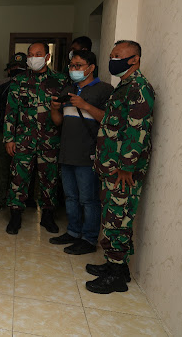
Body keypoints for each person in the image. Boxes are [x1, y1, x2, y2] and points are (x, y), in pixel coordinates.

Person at [86, 40, 155, 294]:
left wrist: (126, 167)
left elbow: (137, 131)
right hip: (112, 167)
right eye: (112, 55)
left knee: (118, 219)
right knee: (114, 216)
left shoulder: (139, 88)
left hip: (123, 171)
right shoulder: (124, 86)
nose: (112, 59)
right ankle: (116, 265)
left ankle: (115, 277)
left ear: (134, 59)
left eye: (118, 56)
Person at [49, 50, 113, 254]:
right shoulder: (69, 89)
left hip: (88, 154)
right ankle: (73, 232)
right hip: (67, 152)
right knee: (70, 197)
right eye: (71, 66)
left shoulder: (105, 90)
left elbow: (109, 120)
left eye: (78, 66)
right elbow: (58, 122)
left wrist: (85, 105)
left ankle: (89, 239)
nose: (74, 69)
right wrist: (54, 109)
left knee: (88, 199)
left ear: (91, 67)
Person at [3, 42, 68, 235]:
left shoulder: (60, 81)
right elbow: (11, 111)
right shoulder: (19, 80)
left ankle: (47, 216)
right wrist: (9, 138)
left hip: (50, 140)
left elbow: (67, 112)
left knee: (50, 179)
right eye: (30, 54)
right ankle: (15, 216)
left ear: (47, 57)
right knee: (18, 178)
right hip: (23, 139)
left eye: (38, 54)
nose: (33, 58)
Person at [0, 52, 26, 215]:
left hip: (25, 137)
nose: (17, 70)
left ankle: (19, 203)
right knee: (1, 169)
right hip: (4, 134)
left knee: (23, 171)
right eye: (14, 67)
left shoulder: (32, 88)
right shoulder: (3, 87)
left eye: (20, 67)